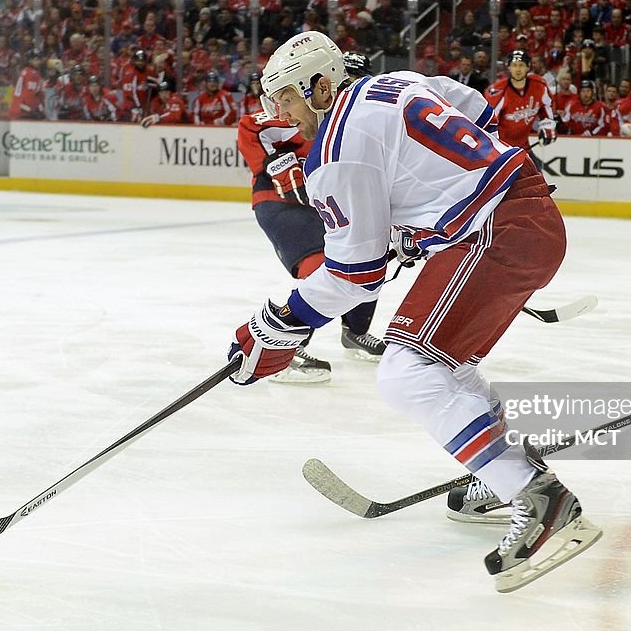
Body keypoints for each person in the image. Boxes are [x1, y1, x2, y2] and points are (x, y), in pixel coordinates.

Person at [229, 31, 600, 592]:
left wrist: (278, 327)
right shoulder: (395, 83)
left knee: (407, 374)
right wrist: (441, 202)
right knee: (444, 365)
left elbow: (357, 274)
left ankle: (538, 499)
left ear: (322, 87)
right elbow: (473, 108)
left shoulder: (335, 149)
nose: (277, 114)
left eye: (285, 99)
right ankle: (501, 476)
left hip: (497, 233)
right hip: (510, 219)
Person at [234, 54, 387, 381]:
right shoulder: (299, 110)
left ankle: (355, 331)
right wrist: (273, 166)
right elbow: (251, 126)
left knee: (367, 258)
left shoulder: (364, 117)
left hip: (325, 197)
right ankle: (282, 348)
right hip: (281, 199)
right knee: (320, 267)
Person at [484, 49, 556, 170]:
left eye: (521, 65)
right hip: (501, 150)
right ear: (509, 67)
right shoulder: (498, 92)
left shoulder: (539, 85)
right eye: (514, 65)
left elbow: (547, 106)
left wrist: (548, 126)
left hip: (524, 147)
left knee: (537, 180)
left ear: (528, 67)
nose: (518, 69)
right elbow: (489, 123)